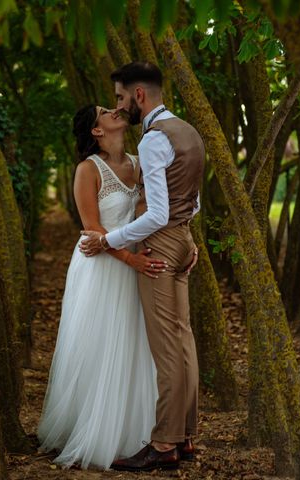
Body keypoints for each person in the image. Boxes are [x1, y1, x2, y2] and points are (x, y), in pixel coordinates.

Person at [80, 61, 205, 472]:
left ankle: (164, 443)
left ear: (138, 96)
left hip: (160, 245)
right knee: (183, 340)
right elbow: (193, 200)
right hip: (183, 240)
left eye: (119, 97)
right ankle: (185, 436)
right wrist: (188, 239)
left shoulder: (153, 140)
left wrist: (108, 240)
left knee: (167, 348)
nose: (118, 106)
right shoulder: (189, 132)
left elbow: (157, 213)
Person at [37, 104, 166, 470]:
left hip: (135, 265)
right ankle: (94, 433)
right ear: (96, 130)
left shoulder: (141, 163)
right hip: (102, 268)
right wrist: (132, 259)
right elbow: (92, 229)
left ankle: (134, 434)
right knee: (101, 346)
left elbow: (157, 210)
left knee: (134, 344)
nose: (116, 110)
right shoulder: (87, 170)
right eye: (106, 111)